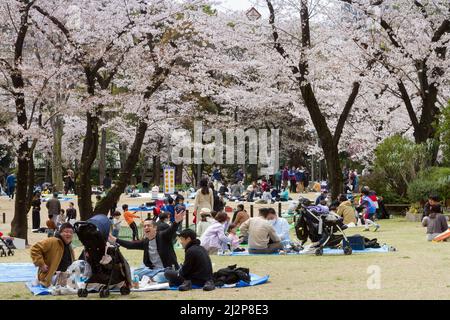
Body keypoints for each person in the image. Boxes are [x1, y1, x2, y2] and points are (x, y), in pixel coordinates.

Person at [109, 209, 185, 282]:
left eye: (148, 226)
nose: (146, 228)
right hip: (153, 270)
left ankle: (151, 279)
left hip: (166, 269)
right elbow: (130, 245)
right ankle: (150, 278)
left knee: (162, 276)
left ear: (155, 228)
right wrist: (115, 240)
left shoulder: (163, 236)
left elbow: (171, 230)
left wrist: (176, 222)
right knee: (135, 273)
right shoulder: (145, 242)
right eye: (144, 226)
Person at [30, 223, 75, 287]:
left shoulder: (69, 246)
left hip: (65, 275)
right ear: (60, 233)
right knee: (73, 285)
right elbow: (35, 248)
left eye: (71, 232)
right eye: (66, 232)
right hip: (51, 277)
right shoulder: (53, 241)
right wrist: (41, 264)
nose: (68, 234)